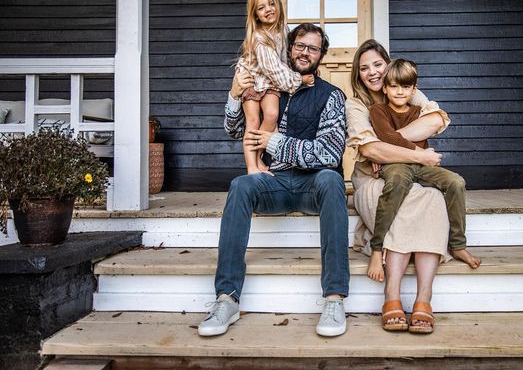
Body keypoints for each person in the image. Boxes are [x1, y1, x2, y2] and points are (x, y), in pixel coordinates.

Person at [198, 23, 349, 338]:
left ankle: (334, 298)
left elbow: (329, 154)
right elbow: (237, 130)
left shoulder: (332, 96)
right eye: (300, 45)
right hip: (274, 182)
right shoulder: (270, 88)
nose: (305, 52)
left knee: (332, 179)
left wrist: (274, 142)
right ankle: (226, 298)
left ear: (321, 55)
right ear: (289, 48)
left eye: (313, 48)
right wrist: (233, 94)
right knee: (240, 185)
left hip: (313, 186)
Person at [346, 39, 481, 334]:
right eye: (364, 68)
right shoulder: (356, 104)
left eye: (378, 64)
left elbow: (435, 120)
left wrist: (389, 143)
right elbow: (370, 152)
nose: (372, 72)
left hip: (416, 170)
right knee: (401, 198)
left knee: (432, 198)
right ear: (358, 74)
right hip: (373, 176)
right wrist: (416, 152)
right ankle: (391, 293)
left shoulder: (407, 88)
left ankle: (424, 298)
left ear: (388, 63)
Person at [367, 58, 474, 286]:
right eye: (394, 86)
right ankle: (377, 248)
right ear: (384, 88)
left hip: (422, 165)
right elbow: (386, 138)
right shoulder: (378, 110)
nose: (399, 92)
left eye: (405, 87)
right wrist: (413, 148)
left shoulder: (419, 112)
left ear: (414, 89)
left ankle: (458, 245)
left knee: (455, 182)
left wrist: (391, 139)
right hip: (395, 164)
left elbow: (389, 137)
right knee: (396, 183)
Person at [235, 0, 315, 174]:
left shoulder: (282, 31)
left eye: (271, 4)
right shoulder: (259, 38)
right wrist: (299, 79)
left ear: (278, 6)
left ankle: (259, 158)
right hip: (252, 81)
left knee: (271, 115)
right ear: (255, 15)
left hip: (269, 83)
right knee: (253, 122)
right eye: (261, 8)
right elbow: (275, 70)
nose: (268, 9)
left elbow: (285, 61)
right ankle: (252, 166)